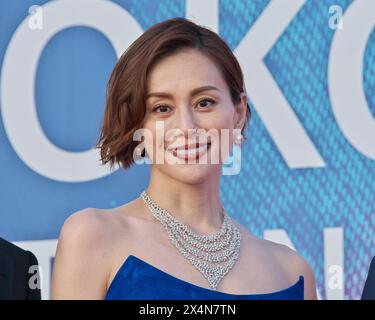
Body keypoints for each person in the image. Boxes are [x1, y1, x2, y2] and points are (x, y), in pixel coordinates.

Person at [51, 17, 317, 300]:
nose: (187, 127)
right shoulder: (93, 236)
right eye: (162, 108)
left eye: (204, 103)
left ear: (238, 113)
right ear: (137, 123)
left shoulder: (290, 272)